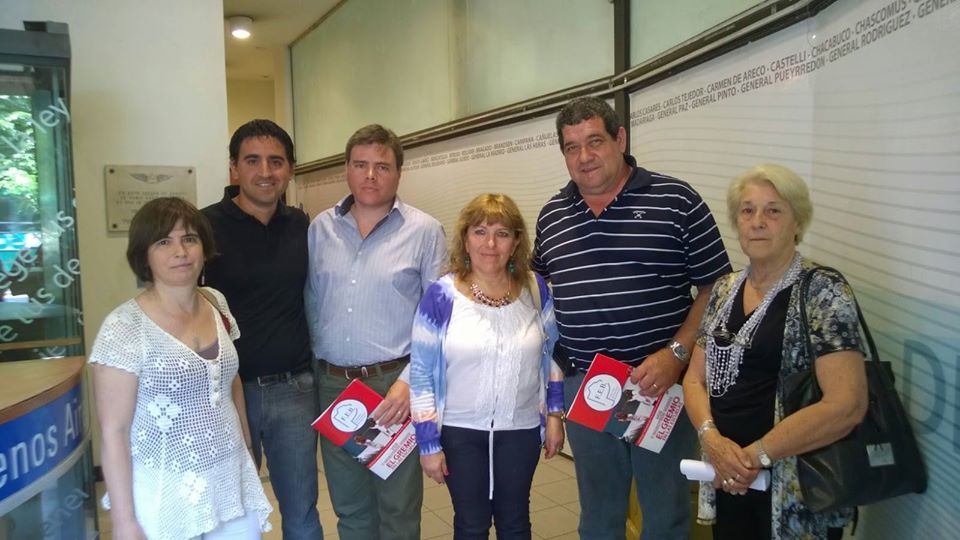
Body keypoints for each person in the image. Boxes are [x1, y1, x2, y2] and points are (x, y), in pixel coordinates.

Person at [533, 96, 732, 539]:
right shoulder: (552, 217)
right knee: (599, 516)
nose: (584, 157)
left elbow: (717, 288)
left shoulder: (676, 200)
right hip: (586, 387)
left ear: (620, 139)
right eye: (571, 147)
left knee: (665, 514)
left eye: (595, 141)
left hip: (659, 385)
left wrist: (676, 353)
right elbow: (538, 293)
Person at [682, 164, 868, 540]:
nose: (758, 221)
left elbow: (846, 405)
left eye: (773, 210)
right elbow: (694, 380)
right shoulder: (723, 290)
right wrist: (712, 441)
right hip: (728, 478)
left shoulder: (823, 291)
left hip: (796, 488)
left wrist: (753, 457)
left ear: (798, 222)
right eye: (747, 210)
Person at [90, 197, 272, 540]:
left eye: (189, 238)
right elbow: (114, 430)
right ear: (144, 254)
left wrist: (248, 448)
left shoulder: (215, 301)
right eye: (164, 241)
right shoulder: (124, 327)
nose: (180, 251)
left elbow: (229, 381)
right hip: (165, 491)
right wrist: (124, 521)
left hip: (229, 476)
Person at [305, 123, 446, 540]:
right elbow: (311, 301)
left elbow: (439, 320)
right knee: (350, 509)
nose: (370, 175)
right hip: (335, 387)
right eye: (360, 165)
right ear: (346, 169)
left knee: (398, 510)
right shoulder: (319, 229)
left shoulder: (424, 231)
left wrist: (409, 384)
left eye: (382, 167)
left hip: (393, 389)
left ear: (399, 173)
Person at [410, 193, 565, 540]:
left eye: (502, 233)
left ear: (516, 242)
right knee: (471, 524)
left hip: (521, 429)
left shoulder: (535, 289)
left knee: (515, 522)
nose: (490, 244)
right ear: (465, 239)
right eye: (480, 232)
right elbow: (420, 375)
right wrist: (428, 443)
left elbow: (553, 355)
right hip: (460, 432)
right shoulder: (441, 295)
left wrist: (555, 416)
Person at [201, 119, 322, 539]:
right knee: (232, 515)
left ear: (290, 169)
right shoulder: (203, 227)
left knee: (302, 511)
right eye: (252, 161)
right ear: (234, 168)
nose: (265, 172)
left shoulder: (302, 226)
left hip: (296, 390)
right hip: (227, 394)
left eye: (276, 161)